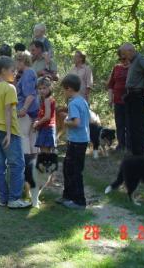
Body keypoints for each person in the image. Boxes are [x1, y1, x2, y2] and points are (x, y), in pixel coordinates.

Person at [0, 56, 31, 209]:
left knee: (0, 166)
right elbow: (7, 110)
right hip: (8, 131)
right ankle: (14, 199)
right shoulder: (10, 88)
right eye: (13, 70)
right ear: (3, 71)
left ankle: (2, 199)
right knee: (17, 164)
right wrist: (9, 133)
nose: (15, 72)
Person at [57, 74, 90, 210]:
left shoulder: (74, 103)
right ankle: (67, 196)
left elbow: (76, 122)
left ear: (69, 89)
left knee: (74, 171)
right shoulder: (82, 100)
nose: (64, 93)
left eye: (64, 90)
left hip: (77, 142)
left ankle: (79, 201)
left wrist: (65, 120)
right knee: (67, 168)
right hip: (80, 140)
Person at [14, 51, 39, 158]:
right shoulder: (30, 72)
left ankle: (25, 163)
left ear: (22, 61)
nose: (15, 64)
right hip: (31, 111)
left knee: (23, 136)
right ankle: (33, 164)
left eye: (16, 61)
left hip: (26, 111)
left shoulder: (28, 73)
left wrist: (24, 108)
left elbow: (30, 95)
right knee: (31, 137)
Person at [107, 50, 131, 151]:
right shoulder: (116, 67)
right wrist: (110, 98)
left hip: (130, 101)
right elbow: (110, 84)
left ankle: (130, 146)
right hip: (117, 101)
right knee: (119, 123)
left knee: (129, 124)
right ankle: (121, 144)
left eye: (124, 59)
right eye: (120, 59)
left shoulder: (133, 67)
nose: (122, 61)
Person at [33, 77, 57, 153]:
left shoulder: (47, 100)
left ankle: (47, 164)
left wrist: (37, 123)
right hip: (47, 127)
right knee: (46, 152)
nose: (42, 90)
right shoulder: (47, 99)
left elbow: (47, 116)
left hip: (47, 128)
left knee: (45, 152)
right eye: (39, 88)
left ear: (49, 88)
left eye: (44, 88)